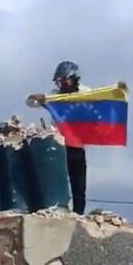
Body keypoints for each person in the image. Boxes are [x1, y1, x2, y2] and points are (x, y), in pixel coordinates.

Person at [26, 61, 93, 215]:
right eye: (59, 81)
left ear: (74, 78)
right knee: (57, 179)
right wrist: (36, 97)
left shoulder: (86, 93)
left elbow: (103, 101)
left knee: (79, 184)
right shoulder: (55, 96)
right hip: (59, 144)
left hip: (78, 144)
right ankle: (57, 209)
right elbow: (31, 103)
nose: (62, 84)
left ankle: (78, 214)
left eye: (65, 80)